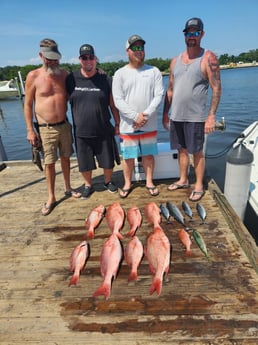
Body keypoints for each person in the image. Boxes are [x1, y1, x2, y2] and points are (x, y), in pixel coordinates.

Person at [162, 18, 222, 202]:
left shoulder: (208, 58)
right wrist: (165, 113)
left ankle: (198, 185)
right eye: (188, 33)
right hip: (176, 115)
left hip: (196, 117)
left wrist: (211, 116)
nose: (192, 37)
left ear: (202, 34)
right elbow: (170, 89)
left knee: (197, 152)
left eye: (195, 33)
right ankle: (183, 179)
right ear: (184, 35)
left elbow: (217, 88)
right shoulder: (175, 61)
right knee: (181, 150)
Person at [24, 38, 81, 216]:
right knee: (49, 163)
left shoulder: (64, 75)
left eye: (56, 58)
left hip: (64, 125)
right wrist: (29, 130)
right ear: (41, 55)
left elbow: (82, 82)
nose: (53, 62)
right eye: (49, 58)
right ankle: (51, 197)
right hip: (45, 128)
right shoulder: (33, 76)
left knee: (66, 158)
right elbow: (27, 105)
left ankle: (68, 188)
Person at [66, 44, 120, 199]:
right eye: (84, 58)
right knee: (84, 162)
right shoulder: (71, 79)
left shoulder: (105, 78)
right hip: (81, 131)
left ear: (96, 59)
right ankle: (88, 185)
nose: (88, 60)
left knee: (107, 160)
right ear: (79, 60)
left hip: (103, 128)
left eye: (91, 57)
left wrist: (117, 124)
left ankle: (108, 181)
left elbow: (112, 104)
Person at [112, 34, 164, 198]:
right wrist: (136, 117)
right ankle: (127, 183)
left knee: (148, 155)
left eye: (141, 47)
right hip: (128, 125)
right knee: (128, 157)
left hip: (149, 123)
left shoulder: (154, 71)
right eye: (135, 48)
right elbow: (117, 100)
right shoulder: (119, 74)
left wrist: (145, 115)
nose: (139, 51)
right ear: (127, 51)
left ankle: (149, 181)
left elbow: (159, 95)